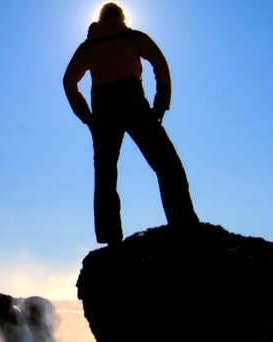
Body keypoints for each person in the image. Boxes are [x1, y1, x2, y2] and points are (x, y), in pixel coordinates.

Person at [63, 2, 199, 244]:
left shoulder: (89, 46)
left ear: (100, 19)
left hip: (103, 109)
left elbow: (68, 81)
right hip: (133, 101)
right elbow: (160, 63)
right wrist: (161, 101)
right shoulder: (133, 36)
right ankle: (183, 222)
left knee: (105, 174)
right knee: (167, 163)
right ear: (122, 18)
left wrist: (87, 117)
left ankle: (110, 238)